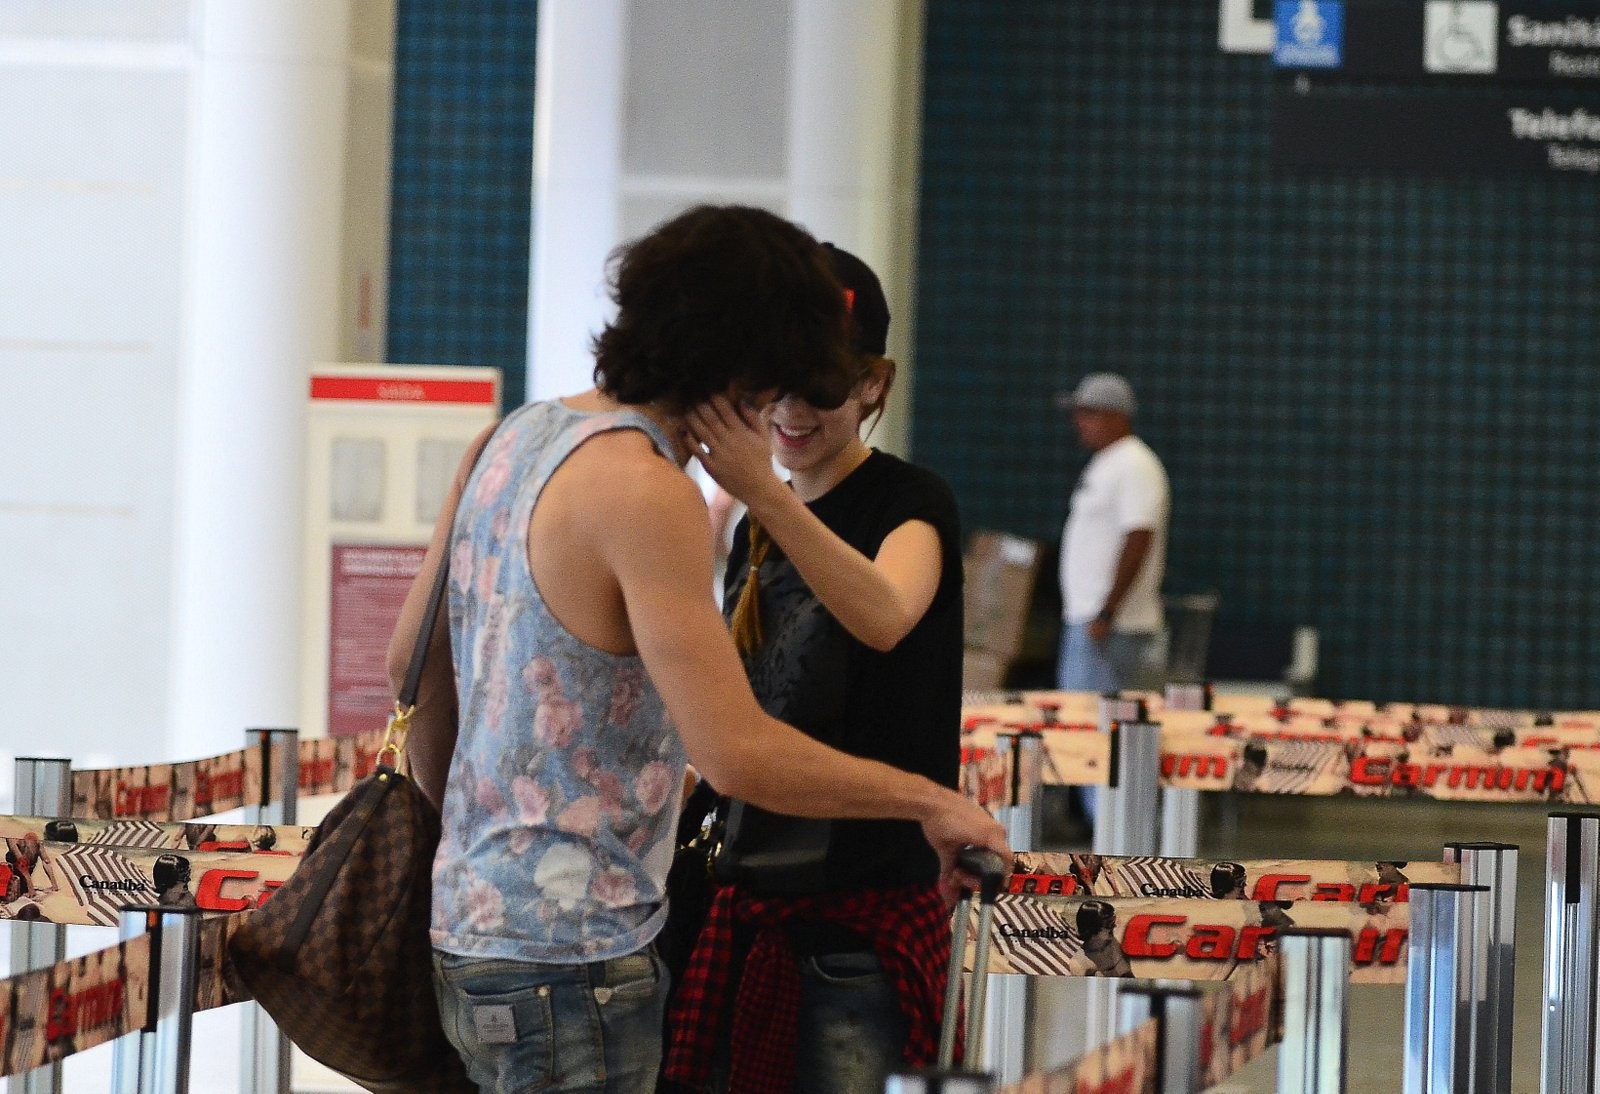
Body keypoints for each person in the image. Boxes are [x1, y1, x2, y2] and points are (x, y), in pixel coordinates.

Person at [386, 205, 1009, 1094]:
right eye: (778, 379)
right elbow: (735, 750)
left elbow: (408, 663)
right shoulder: (650, 492)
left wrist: (480, 853)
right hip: (579, 949)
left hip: (467, 928)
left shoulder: (507, 438)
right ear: (743, 366)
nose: (782, 406)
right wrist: (932, 803)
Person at [661, 245, 963, 1093]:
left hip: (857, 926)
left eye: (820, 387)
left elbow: (884, 615)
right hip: (746, 908)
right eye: (773, 386)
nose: (792, 411)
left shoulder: (909, 502)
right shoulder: (760, 526)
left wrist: (763, 493)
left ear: (873, 385)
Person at [1054, 373, 1169, 830]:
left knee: (1107, 746)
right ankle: (1114, 841)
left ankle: (1129, 848)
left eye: (1087, 412)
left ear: (1115, 416)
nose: (1079, 422)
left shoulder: (1134, 465)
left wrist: (1107, 611)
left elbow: (1139, 535)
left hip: (1112, 629)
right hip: (1095, 622)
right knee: (1092, 745)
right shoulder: (1110, 463)